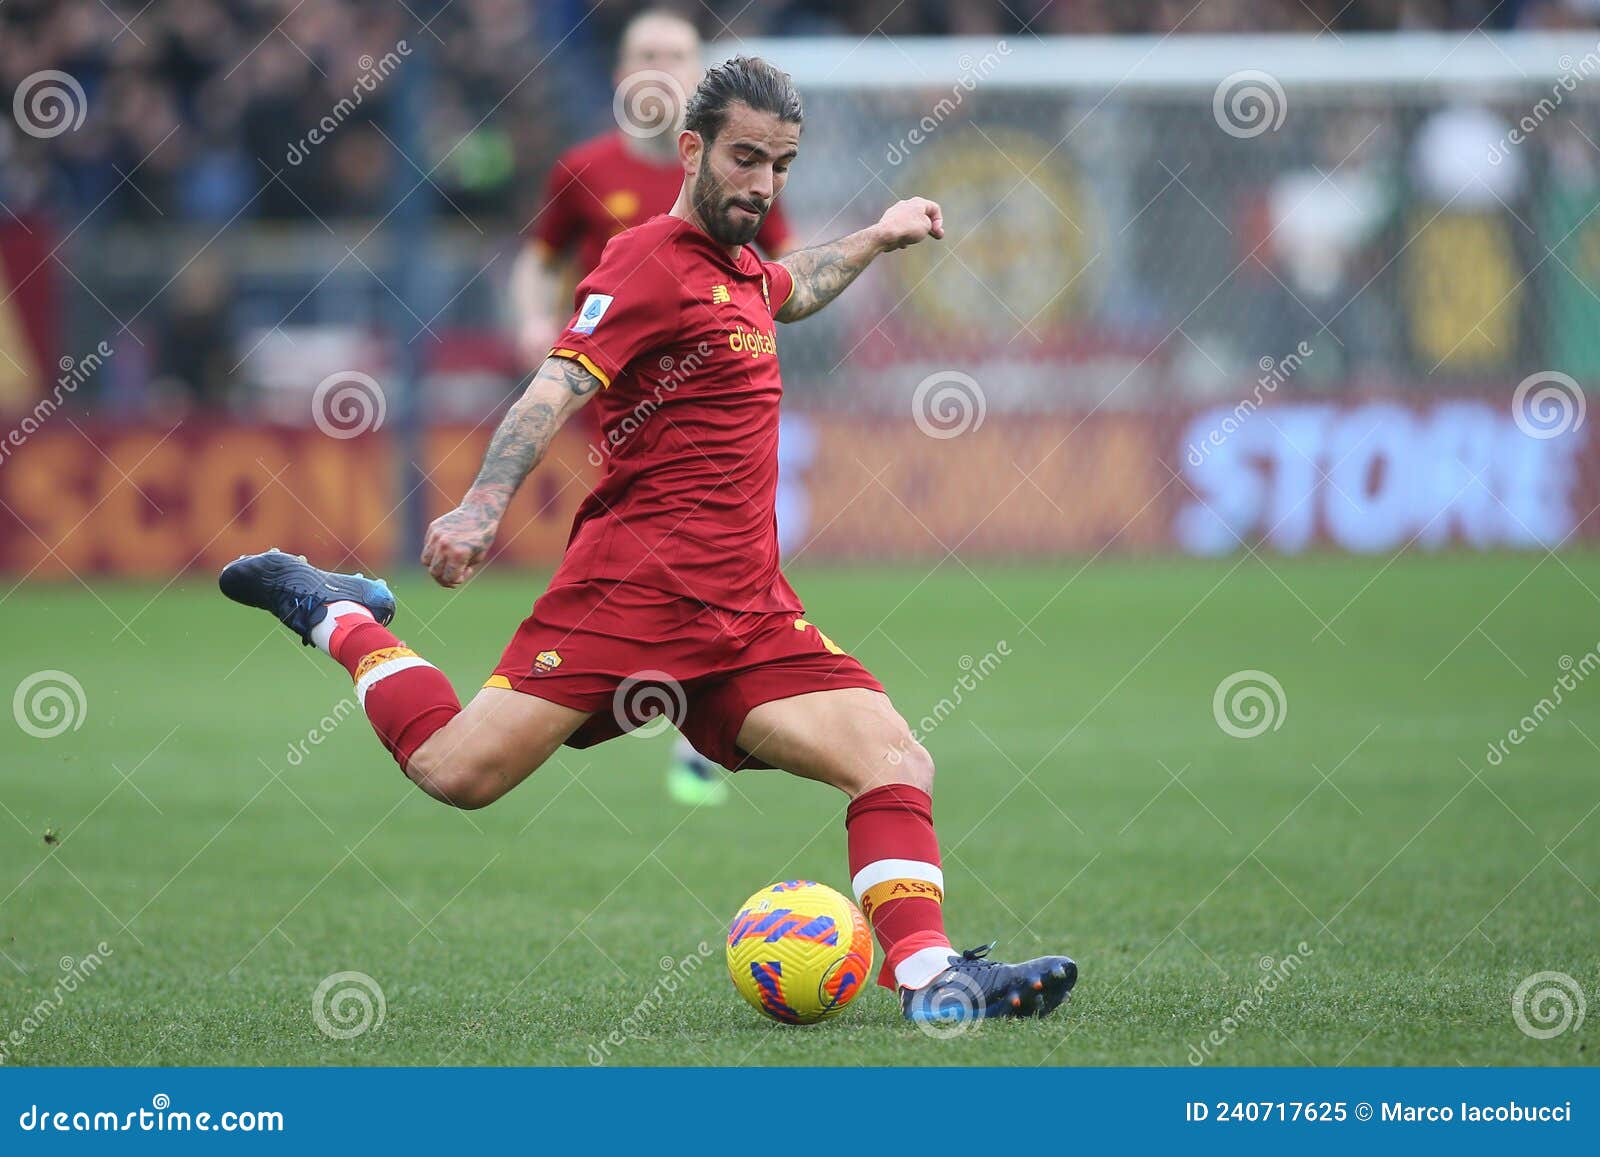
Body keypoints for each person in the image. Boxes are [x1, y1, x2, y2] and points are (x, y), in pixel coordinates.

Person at [221, 56, 1077, 1024]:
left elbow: (789, 290)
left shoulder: (741, 270)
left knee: (892, 758)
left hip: (747, 609)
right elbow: (556, 385)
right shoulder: (645, 259)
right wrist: (479, 506)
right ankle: (336, 610)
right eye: (745, 158)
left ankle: (931, 977)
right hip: (633, 595)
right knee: (456, 772)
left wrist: (878, 236)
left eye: (781, 164)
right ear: (692, 148)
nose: (761, 182)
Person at [510, 7, 796, 807]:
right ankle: (612, 677)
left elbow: (776, 274)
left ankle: (692, 720)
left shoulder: (746, 172)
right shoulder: (585, 171)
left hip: (712, 397)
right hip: (608, 386)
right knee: (629, 535)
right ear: (619, 73)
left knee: (716, 541)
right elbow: (536, 262)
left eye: (677, 55)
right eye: (647, 54)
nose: (660, 67)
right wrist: (534, 318)